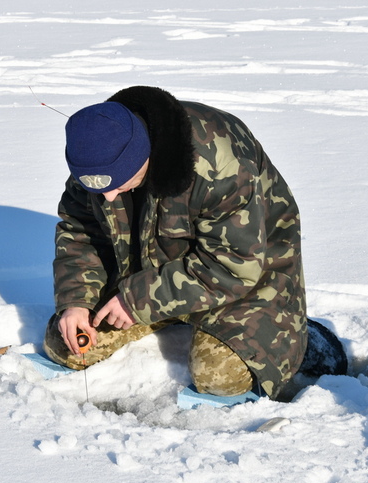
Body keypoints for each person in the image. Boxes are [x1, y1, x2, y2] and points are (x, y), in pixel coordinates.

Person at [43, 85, 307, 399]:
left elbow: (234, 266)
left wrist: (137, 300)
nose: (108, 197)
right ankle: (167, 312)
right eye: (99, 188)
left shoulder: (218, 161)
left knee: (219, 375)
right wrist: (76, 301)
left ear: (142, 155)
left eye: (118, 183)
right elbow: (80, 230)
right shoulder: (96, 154)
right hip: (151, 271)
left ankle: (297, 336)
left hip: (248, 275)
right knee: (69, 347)